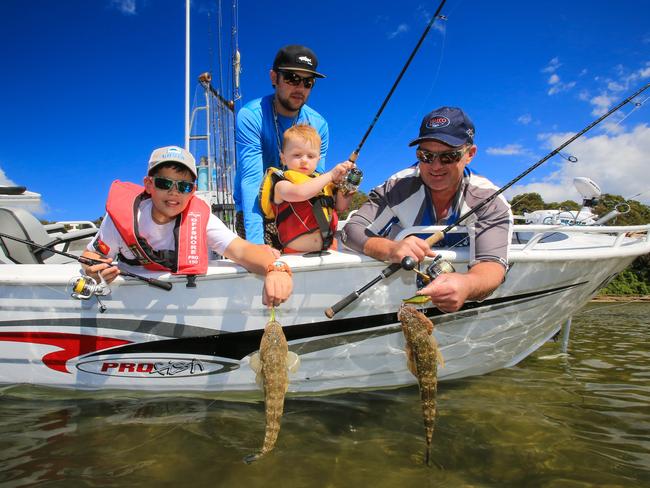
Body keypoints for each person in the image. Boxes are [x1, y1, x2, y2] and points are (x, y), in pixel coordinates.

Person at [342, 107, 512, 312]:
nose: (436, 166)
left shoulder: (489, 199)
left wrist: (467, 285)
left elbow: (492, 265)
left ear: (470, 154)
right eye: (426, 155)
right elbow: (352, 230)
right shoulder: (395, 187)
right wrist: (390, 249)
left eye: (449, 156)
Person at [81, 145, 292, 308]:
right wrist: (93, 270)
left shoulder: (201, 218)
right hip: (129, 302)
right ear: (148, 185)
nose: (174, 193)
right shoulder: (120, 219)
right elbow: (91, 256)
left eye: (184, 186)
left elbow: (240, 249)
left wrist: (275, 268)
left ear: (193, 191)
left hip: (184, 303)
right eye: (165, 183)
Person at [234, 44, 329, 247]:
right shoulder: (251, 116)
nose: (300, 87)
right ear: (273, 78)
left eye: (308, 82)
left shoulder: (319, 124)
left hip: (298, 209)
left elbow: (316, 178)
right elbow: (250, 182)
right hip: (257, 211)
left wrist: (325, 232)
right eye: (292, 78)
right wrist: (257, 246)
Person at [259, 124, 354, 253]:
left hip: (329, 252)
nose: (304, 160)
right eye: (297, 155)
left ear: (318, 159)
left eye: (310, 156)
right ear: (283, 158)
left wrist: (346, 187)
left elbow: (341, 207)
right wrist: (331, 175)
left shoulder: (324, 184)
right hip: (294, 255)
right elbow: (301, 193)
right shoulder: (281, 185)